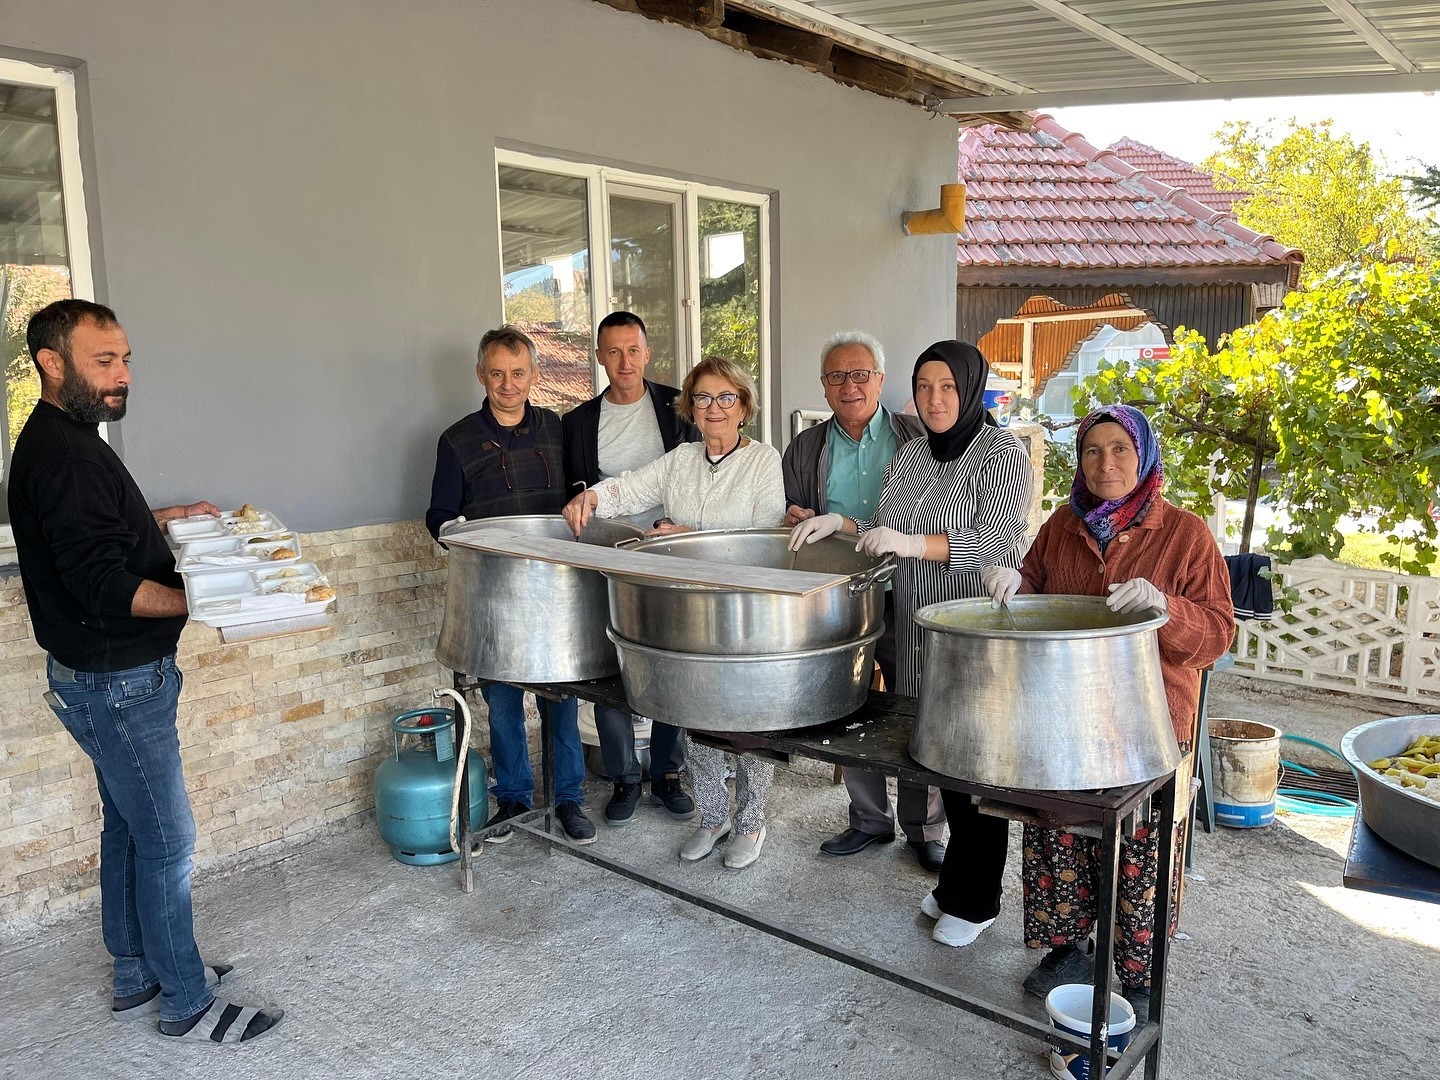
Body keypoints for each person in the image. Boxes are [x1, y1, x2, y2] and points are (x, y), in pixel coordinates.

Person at [8, 300, 283, 1044]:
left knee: (130, 827)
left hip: (101, 678)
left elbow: (98, 530)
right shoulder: (63, 453)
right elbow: (105, 583)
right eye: (104, 362)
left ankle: (136, 972)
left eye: (125, 359)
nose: (122, 376)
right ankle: (184, 1001)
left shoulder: (67, 438)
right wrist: (211, 596)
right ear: (52, 361)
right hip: (117, 681)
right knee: (167, 839)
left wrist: (164, 518)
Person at [980, 405, 1233, 1026]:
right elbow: (1037, 589)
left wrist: (1164, 607)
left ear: (1144, 455)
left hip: (1148, 722)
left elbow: (1219, 636)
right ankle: (1070, 947)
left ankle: (1140, 971)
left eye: (1120, 449)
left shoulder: (1186, 535)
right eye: (1093, 450)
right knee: (1059, 832)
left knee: (1139, 847)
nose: (1106, 463)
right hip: (1061, 716)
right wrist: (1014, 581)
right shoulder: (1063, 525)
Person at [791, 340, 1032, 947]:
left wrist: (915, 545)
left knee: (972, 766)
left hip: (967, 633)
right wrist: (843, 525)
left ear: (971, 388)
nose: (935, 398)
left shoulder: (1000, 451)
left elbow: (996, 544)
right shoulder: (915, 449)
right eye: (925, 386)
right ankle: (955, 883)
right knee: (937, 757)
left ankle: (978, 900)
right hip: (914, 625)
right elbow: (884, 524)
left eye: (948, 386)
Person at [564, 357, 785, 869]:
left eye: (726, 397)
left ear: (744, 406)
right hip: (690, 612)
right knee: (696, 716)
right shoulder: (681, 459)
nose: (714, 408)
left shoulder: (764, 461)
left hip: (746, 612)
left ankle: (751, 824)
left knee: (752, 723)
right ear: (691, 407)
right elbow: (631, 487)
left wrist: (684, 537)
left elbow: (766, 542)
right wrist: (592, 497)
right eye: (703, 398)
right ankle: (712, 818)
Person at [781, 330, 946, 872]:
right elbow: (793, 514)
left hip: (914, 590)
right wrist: (797, 518)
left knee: (919, 706)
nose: (849, 386)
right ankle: (869, 820)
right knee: (849, 707)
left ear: (880, 379)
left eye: (860, 374)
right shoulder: (806, 447)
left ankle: (924, 827)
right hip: (842, 599)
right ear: (824, 388)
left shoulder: (917, 436)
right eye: (836, 377)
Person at [426, 323, 595, 846]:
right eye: (497, 373)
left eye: (518, 373)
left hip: (554, 592)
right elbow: (438, 515)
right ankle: (516, 796)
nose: (508, 383)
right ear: (481, 374)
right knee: (501, 701)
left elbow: (578, 494)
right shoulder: (455, 440)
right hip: (493, 595)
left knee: (561, 698)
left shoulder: (556, 428)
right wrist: (458, 535)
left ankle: (568, 799)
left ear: (533, 374)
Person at [561, 312, 699, 827]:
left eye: (633, 350)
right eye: (613, 351)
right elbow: (572, 493)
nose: (624, 362)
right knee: (610, 662)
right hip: (607, 556)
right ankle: (624, 777)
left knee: (670, 658)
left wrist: (678, 524)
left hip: (667, 552)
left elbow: (695, 473)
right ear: (599, 355)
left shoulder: (677, 407)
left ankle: (666, 772)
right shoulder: (576, 422)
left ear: (648, 352)